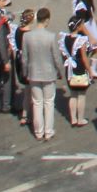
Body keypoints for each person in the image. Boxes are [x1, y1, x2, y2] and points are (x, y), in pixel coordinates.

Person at [21, 7, 61, 142]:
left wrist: (25, 72)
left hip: (33, 74)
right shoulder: (51, 37)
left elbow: (24, 58)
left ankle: (38, 132)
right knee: (49, 103)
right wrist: (60, 71)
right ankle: (48, 131)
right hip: (48, 74)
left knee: (37, 103)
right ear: (47, 20)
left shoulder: (27, 36)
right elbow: (56, 57)